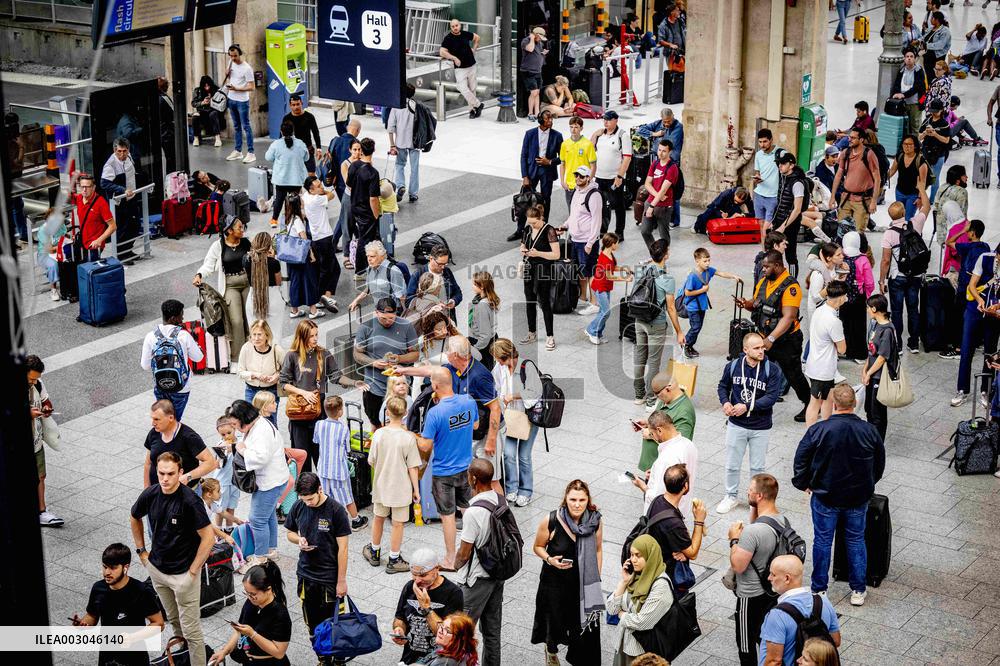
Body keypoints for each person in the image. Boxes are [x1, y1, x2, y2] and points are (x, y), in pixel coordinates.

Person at [794, 384, 885, 606]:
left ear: (833, 404)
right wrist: (868, 484)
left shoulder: (819, 429)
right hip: (857, 497)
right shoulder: (869, 430)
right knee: (856, 540)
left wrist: (805, 483)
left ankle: (819, 589)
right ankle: (858, 589)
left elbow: (801, 458)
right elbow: (879, 463)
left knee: (823, 541)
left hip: (825, 495)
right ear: (854, 404)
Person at [129, 451, 213, 666]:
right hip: (157, 570)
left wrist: (193, 572)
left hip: (184, 574)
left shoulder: (190, 500)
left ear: (181, 473)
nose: (165, 478)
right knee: (174, 621)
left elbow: (208, 538)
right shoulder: (151, 493)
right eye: (161, 473)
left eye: (170, 473)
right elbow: (134, 516)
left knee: (192, 632)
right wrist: (142, 552)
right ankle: (183, 658)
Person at [531, 479, 604, 665]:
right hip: (554, 583)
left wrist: (596, 577)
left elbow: (597, 549)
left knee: (580, 630)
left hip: (581, 585)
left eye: (581, 500)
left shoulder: (595, 520)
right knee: (554, 626)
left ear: (588, 500)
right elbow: (538, 546)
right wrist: (550, 560)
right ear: (566, 499)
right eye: (573, 499)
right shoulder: (552, 520)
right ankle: (551, 651)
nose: (577, 504)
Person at [282, 472, 352, 661]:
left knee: (334, 625)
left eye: (310, 499)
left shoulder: (336, 511)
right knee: (312, 625)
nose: (308, 503)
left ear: (320, 489)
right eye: (304, 499)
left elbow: (343, 549)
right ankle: (322, 658)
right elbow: (289, 533)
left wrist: (341, 581)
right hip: (306, 575)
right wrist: (299, 540)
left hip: (329, 578)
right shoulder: (299, 505)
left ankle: (338, 660)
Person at [416, 366, 479, 568]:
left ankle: (451, 558)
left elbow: (426, 445)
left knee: (448, 516)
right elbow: (476, 426)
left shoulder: (435, 413)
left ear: (434, 385)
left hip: (444, 472)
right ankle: (474, 551)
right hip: (466, 467)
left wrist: (412, 437)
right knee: (467, 509)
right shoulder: (468, 401)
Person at [715, 333, 784, 515]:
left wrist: (746, 406)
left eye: (762, 347)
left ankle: (756, 500)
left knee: (758, 467)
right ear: (745, 350)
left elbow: (771, 398)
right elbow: (723, 386)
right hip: (736, 424)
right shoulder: (733, 366)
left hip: (761, 426)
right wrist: (725, 403)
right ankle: (731, 496)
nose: (761, 350)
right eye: (756, 348)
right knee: (732, 464)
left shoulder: (772, 369)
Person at [726, 473, 789, 666]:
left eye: (750, 490)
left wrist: (734, 539)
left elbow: (738, 565)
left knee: (745, 645)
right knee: (764, 638)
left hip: (749, 594)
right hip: (770, 592)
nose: (747, 492)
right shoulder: (781, 520)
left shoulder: (753, 533)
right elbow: (759, 531)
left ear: (759, 496)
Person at [739, 251, 810, 420]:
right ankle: (752, 406)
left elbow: (789, 316)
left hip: (786, 341)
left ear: (777, 265)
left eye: (766, 266)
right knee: (755, 370)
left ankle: (809, 403)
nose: (763, 270)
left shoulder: (791, 287)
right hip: (764, 338)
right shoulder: (764, 282)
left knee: (793, 374)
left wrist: (771, 339)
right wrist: (746, 304)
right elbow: (757, 304)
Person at [281, 319, 358, 472]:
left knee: (321, 456)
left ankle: (322, 490)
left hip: (318, 413)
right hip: (299, 413)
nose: (315, 338)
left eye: (316, 334)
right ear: (302, 337)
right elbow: (283, 383)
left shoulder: (323, 354)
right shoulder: (291, 355)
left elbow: (336, 376)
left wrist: (355, 383)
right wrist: (303, 392)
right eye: (311, 336)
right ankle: (306, 491)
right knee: (302, 459)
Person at [71, 543, 165, 666]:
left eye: (113, 568)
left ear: (125, 567)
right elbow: (92, 617)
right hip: (107, 655)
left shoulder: (141, 591)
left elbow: (159, 623)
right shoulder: (98, 588)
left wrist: (133, 637)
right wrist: (82, 624)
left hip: (135, 656)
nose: (107, 572)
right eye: (104, 567)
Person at [450, 459, 506, 666]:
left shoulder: (473, 512)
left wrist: (453, 565)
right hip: (497, 574)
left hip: (476, 580)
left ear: (473, 479)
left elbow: (464, 553)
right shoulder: (500, 500)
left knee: (461, 633)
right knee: (492, 632)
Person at [360, 396, 421, 573]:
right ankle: (394, 558)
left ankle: (374, 550)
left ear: (387, 412)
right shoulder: (408, 438)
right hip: (401, 488)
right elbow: (413, 467)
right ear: (406, 413)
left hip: (381, 485)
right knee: (398, 523)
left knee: (378, 518)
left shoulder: (378, 434)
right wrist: (416, 490)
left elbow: (371, 461)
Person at [226, 399, 286, 562]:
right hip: (276, 478)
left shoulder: (261, 431)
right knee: (269, 516)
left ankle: (261, 557)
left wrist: (242, 450)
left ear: (244, 419)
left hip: (269, 483)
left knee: (257, 520)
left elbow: (260, 458)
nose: (233, 427)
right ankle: (271, 549)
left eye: (234, 423)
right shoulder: (258, 424)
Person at [759, 555, 841, 665]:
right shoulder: (822, 601)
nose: (769, 578)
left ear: (787, 578)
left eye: (773, 574)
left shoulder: (776, 615)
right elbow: (835, 641)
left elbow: (774, 661)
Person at [605, 535, 674, 666]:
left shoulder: (661, 585)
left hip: (643, 652)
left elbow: (642, 622)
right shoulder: (635, 576)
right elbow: (611, 609)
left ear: (650, 556)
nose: (634, 560)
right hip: (623, 644)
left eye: (639, 555)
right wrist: (623, 583)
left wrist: (621, 615)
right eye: (631, 555)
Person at [209, 560, 291, 665]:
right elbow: (239, 631)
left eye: (253, 594)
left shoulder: (280, 613)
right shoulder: (250, 602)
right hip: (248, 661)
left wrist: (252, 634)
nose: (249, 597)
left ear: (268, 589)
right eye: (246, 593)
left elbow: (279, 652)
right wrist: (224, 651)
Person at [391, 547, 465, 664]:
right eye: (414, 575)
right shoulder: (410, 587)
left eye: (423, 575)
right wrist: (399, 629)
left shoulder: (453, 593)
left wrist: (426, 607)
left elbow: (447, 634)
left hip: (437, 660)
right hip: (409, 658)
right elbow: (400, 617)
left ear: (436, 569)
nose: (418, 581)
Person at [879, 191, 931, 354]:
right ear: (904, 212)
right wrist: (921, 191)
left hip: (897, 277)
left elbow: (886, 260)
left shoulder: (888, 234)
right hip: (915, 276)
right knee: (913, 309)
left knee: (897, 311)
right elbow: (927, 207)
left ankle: (898, 345)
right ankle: (914, 343)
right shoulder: (916, 223)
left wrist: (882, 280)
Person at [354, 296, 419, 426]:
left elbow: (416, 354)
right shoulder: (365, 327)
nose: (388, 321)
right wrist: (373, 363)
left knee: (402, 423)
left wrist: (400, 358)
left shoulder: (406, 326)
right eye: (383, 318)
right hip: (374, 387)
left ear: (396, 313)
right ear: (376, 312)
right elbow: (357, 354)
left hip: (400, 386)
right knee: (376, 422)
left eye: (391, 318)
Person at [193, 216, 251, 357]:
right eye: (239, 227)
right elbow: (209, 264)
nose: (242, 229)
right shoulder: (218, 246)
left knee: (251, 318)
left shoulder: (246, 242)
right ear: (229, 230)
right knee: (236, 321)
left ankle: (253, 353)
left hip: (248, 283)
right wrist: (199, 274)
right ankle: (237, 357)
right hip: (230, 286)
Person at [489, 339, 537, 504]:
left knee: (523, 455)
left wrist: (513, 395)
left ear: (506, 356)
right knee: (508, 454)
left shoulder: (526, 366)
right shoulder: (499, 368)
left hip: (527, 417)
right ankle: (511, 488)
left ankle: (526, 491)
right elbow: (494, 385)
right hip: (509, 416)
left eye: (499, 359)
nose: (498, 363)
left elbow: (536, 392)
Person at [139, 300, 204, 420]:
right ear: (174, 318)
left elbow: (145, 365)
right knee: (174, 421)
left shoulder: (150, 336)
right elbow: (198, 357)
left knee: (163, 419)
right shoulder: (183, 335)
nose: (183, 318)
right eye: (181, 315)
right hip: (182, 387)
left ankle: (163, 436)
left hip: (161, 386)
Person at [952, 247, 1000, 407]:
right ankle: (962, 390)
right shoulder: (985, 258)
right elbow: (972, 285)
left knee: (990, 353)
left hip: (994, 314)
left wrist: (997, 306)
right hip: (974, 309)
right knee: (966, 350)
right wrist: (979, 300)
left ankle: (985, 391)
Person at [643, 463, 706, 582]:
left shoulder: (658, 500)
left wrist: (683, 551)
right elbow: (693, 553)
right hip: (667, 577)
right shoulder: (673, 523)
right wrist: (699, 521)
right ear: (685, 486)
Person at [313, 395, 368, 531]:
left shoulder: (319, 424)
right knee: (347, 496)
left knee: (324, 496)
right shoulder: (343, 429)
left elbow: (316, 440)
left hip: (323, 469)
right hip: (339, 470)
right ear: (340, 412)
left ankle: (326, 522)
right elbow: (347, 449)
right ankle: (355, 520)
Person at [631, 410, 699, 516]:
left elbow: (658, 497)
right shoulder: (689, 445)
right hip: (682, 507)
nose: (653, 437)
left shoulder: (667, 458)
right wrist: (654, 472)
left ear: (659, 430)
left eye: (652, 434)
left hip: (663, 515)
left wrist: (642, 486)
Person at [941, 217, 989, 359]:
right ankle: (974, 342)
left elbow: (948, 242)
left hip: (965, 287)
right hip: (978, 289)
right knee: (973, 316)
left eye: (969, 231)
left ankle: (958, 348)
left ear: (972, 233)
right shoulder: (985, 247)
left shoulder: (967, 247)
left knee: (958, 318)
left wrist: (962, 230)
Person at [142, 399, 216, 490]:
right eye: (152, 419)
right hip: (158, 493)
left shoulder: (189, 437)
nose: (153, 423)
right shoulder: (154, 433)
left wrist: (188, 477)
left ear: (171, 418)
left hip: (184, 494)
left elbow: (211, 462)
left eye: (157, 419)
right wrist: (146, 491)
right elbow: (148, 463)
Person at [680, 247, 741, 356]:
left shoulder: (709, 271)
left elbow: (721, 273)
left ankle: (689, 345)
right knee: (695, 327)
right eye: (705, 261)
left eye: (709, 260)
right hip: (692, 306)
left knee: (698, 327)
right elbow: (687, 293)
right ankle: (686, 345)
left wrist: (733, 276)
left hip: (701, 305)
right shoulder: (693, 276)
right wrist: (702, 290)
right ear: (697, 261)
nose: (707, 263)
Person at [803, 281, 848, 427]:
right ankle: (811, 433)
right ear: (840, 298)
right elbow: (842, 349)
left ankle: (826, 428)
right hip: (823, 368)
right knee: (815, 402)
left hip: (814, 363)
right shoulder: (833, 321)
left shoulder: (819, 310)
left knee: (828, 398)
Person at [635, 371, 696, 472]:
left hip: (665, 469)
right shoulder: (666, 401)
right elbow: (661, 423)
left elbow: (680, 444)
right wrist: (648, 423)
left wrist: (650, 434)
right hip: (654, 465)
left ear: (668, 389)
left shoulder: (684, 412)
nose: (658, 398)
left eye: (658, 395)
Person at [520, 204, 561, 349]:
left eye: (534, 222)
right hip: (529, 268)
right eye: (529, 222)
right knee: (529, 301)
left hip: (544, 269)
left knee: (544, 303)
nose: (531, 225)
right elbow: (522, 245)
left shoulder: (549, 230)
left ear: (540, 218)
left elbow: (556, 254)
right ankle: (532, 332)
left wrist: (538, 253)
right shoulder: (527, 229)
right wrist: (523, 249)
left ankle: (550, 336)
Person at [563, 166, 603, 314]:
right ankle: (583, 297)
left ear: (588, 177)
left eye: (581, 176)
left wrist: (590, 242)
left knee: (590, 271)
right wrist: (565, 225)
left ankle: (594, 303)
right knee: (581, 271)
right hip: (575, 239)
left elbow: (596, 221)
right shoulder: (576, 192)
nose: (578, 178)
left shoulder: (594, 195)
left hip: (586, 241)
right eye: (576, 175)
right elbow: (574, 214)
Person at [26, 355, 61, 527]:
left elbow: (46, 400)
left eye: (36, 378)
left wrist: (47, 408)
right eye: (31, 378)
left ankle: (42, 511)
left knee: (40, 476)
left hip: (36, 439)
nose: (33, 382)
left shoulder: (38, 383)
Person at [301, 175, 341, 311]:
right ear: (311, 190)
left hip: (317, 238)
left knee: (332, 268)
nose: (322, 187)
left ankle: (326, 296)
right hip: (324, 238)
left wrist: (320, 189)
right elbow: (332, 195)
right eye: (318, 186)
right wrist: (325, 190)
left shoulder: (306, 196)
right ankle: (320, 297)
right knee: (328, 269)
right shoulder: (316, 199)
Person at [281, 194, 324, 320]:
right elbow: (304, 239)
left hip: (291, 256)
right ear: (298, 205)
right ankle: (313, 310)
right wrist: (311, 254)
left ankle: (294, 310)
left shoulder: (287, 218)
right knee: (309, 281)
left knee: (295, 282)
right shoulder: (298, 221)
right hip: (301, 256)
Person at [828, 129, 880, 233]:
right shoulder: (845, 153)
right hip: (846, 198)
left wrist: (874, 201)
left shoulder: (869, 155)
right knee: (841, 231)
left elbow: (877, 179)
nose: (849, 139)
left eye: (853, 138)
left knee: (858, 234)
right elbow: (838, 175)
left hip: (862, 200)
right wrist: (832, 196)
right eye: (849, 137)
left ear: (861, 139)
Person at [591, 110, 632, 240]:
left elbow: (627, 158)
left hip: (614, 177)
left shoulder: (622, 135)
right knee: (601, 205)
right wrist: (594, 134)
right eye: (604, 120)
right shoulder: (600, 135)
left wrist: (620, 176)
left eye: (608, 120)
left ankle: (620, 232)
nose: (606, 122)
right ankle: (603, 230)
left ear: (616, 120)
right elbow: (590, 150)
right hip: (599, 176)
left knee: (618, 205)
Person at [99, 137, 142, 263]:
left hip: (131, 197)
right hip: (119, 201)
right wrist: (121, 189)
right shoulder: (110, 164)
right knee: (122, 228)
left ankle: (128, 250)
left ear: (128, 150)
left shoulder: (129, 158)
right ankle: (121, 254)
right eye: (119, 151)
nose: (122, 154)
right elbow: (104, 183)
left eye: (124, 151)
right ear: (114, 150)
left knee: (134, 225)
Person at [861, 295, 897, 442]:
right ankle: (870, 438)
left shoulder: (887, 330)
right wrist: (865, 369)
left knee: (877, 412)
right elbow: (871, 351)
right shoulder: (875, 324)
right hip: (871, 373)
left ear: (874, 309)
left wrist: (869, 373)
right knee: (869, 409)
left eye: (869, 307)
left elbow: (882, 357)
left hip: (880, 376)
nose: (867, 310)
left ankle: (877, 442)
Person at [237, 320, 285, 427]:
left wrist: (276, 376)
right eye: (254, 335)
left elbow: (287, 369)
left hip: (270, 391)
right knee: (251, 421)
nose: (256, 338)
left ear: (267, 335)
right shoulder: (246, 348)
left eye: (259, 334)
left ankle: (272, 442)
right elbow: (240, 372)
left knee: (270, 422)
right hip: (251, 390)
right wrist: (256, 375)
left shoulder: (276, 350)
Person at [586, 232, 632, 344]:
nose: (618, 245)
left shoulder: (609, 254)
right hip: (600, 287)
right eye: (616, 243)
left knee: (602, 311)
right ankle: (591, 330)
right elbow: (609, 276)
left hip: (605, 287)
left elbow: (613, 267)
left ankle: (598, 333)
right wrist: (625, 279)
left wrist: (623, 269)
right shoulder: (604, 258)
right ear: (612, 244)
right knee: (606, 312)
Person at [519, 110, 563, 224]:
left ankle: (543, 225)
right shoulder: (530, 134)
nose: (550, 121)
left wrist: (549, 162)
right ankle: (520, 228)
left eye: (551, 119)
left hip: (547, 171)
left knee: (546, 199)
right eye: (547, 119)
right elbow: (523, 156)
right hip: (532, 170)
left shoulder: (557, 136)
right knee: (525, 200)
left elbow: (562, 157)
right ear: (540, 120)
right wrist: (525, 176)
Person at [770, 150, 810, 272]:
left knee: (790, 255)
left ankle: (792, 281)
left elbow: (797, 209)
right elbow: (781, 202)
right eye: (778, 163)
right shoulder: (783, 177)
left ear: (791, 165)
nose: (779, 166)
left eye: (783, 163)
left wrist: (783, 226)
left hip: (791, 224)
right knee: (775, 253)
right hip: (779, 220)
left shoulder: (797, 183)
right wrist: (773, 221)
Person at [347, 137, 382, 275]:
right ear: (373, 150)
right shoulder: (373, 173)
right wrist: (376, 214)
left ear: (361, 149)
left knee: (364, 236)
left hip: (355, 206)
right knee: (365, 239)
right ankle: (360, 270)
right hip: (366, 211)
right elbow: (373, 198)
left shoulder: (354, 165)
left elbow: (349, 184)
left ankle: (370, 263)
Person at [243, 232, 285, 342]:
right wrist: (272, 257)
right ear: (269, 246)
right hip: (273, 298)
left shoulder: (246, 260)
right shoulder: (274, 263)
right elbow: (279, 282)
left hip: (253, 298)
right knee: (275, 335)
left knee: (255, 336)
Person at [841, 232, 875, 361]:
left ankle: (847, 350)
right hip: (858, 297)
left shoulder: (841, 257)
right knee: (859, 325)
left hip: (843, 296)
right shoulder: (863, 259)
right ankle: (860, 354)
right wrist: (866, 295)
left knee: (845, 323)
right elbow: (869, 282)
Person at [440, 18, 484, 117]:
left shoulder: (465, 34)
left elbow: (477, 38)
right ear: (450, 27)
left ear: (460, 25)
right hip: (460, 68)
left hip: (471, 65)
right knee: (462, 88)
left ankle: (472, 110)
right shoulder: (448, 38)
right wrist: (454, 58)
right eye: (453, 26)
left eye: (457, 25)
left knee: (472, 88)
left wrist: (474, 49)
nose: (455, 28)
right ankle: (478, 104)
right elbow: (442, 52)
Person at [640, 139, 679, 248]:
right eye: (659, 150)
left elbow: (663, 190)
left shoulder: (672, 168)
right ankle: (655, 252)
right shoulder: (655, 163)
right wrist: (658, 196)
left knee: (663, 235)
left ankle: (663, 255)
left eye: (664, 151)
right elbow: (647, 183)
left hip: (664, 207)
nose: (660, 153)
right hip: (651, 201)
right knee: (645, 231)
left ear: (670, 152)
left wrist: (653, 205)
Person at [350, 240, 408, 312]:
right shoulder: (370, 269)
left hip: (392, 314)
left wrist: (403, 317)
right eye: (367, 256)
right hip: (379, 311)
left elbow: (402, 297)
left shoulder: (393, 271)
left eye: (372, 256)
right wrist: (357, 300)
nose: (369, 259)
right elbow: (368, 288)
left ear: (382, 256)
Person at [406, 245, 464, 315]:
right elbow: (409, 301)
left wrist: (453, 301)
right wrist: (431, 308)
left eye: (445, 264)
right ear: (431, 259)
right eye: (440, 264)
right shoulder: (418, 274)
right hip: (426, 321)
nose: (443, 267)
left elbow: (458, 293)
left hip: (447, 318)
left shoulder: (447, 272)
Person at [388, 84, 421, 204]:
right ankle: (413, 194)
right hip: (415, 142)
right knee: (414, 168)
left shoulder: (396, 106)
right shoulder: (416, 105)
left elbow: (390, 128)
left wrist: (392, 145)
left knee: (400, 165)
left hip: (400, 142)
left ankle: (401, 185)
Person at [224, 44, 256, 164]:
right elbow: (229, 77)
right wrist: (226, 73)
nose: (233, 58)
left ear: (240, 54)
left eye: (235, 56)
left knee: (246, 126)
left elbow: (252, 87)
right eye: (231, 56)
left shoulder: (247, 68)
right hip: (231, 98)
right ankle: (238, 151)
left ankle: (251, 152)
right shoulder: (230, 62)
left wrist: (237, 88)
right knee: (236, 126)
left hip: (242, 100)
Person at [557, 116, 598, 211]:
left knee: (583, 213)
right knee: (571, 213)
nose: (573, 130)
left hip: (583, 185)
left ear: (581, 128)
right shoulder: (565, 144)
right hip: (570, 186)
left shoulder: (587, 144)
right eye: (571, 127)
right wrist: (563, 181)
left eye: (576, 127)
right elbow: (562, 164)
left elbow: (593, 166)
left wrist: (588, 181)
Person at [887, 134, 928, 221]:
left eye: (910, 144)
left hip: (913, 194)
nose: (907, 146)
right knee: (899, 216)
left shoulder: (920, 161)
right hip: (900, 192)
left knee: (908, 217)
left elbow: (923, 181)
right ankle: (900, 232)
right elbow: (893, 170)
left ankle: (910, 233)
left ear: (915, 146)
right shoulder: (900, 156)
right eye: (905, 144)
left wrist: (920, 198)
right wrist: (881, 179)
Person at [414, 613, 479, 665]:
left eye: (447, 630)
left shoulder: (445, 662)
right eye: (442, 626)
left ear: (460, 638)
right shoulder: (464, 652)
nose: (440, 631)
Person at [891, 47, 929, 136]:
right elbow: (897, 83)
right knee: (905, 126)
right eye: (907, 56)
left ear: (915, 59)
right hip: (904, 103)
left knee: (915, 126)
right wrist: (896, 93)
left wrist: (903, 95)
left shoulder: (919, 70)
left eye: (911, 56)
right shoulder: (902, 70)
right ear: (904, 58)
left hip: (915, 103)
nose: (909, 58)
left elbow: (917, 87)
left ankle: (916, 145)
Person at [920, 99, 952, 202]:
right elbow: (919, 137)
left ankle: (932, 199)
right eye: (932, 111)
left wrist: (935, 134)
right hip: (926, 151)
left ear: (941, 110)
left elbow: (946, 140)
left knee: (934, 177)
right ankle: (920, 196)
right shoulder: (927, 121)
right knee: (922, 175)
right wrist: (925, 133)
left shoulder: (944, 124)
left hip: (939, 154)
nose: (933, 113)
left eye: (936, 111)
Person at [282, 94, 322, 176]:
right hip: (293, 152)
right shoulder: (286, 118)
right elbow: (282, 135)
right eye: (293, 105)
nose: (296, 107)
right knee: (295, 176)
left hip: (308, 150)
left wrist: (319, 148)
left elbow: (315, 133)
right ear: (290, 106)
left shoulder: (309, 117)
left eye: (298, 104)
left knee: (311, 175)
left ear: (302, 103)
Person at [468, 271, 500, 370]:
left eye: (474, 284)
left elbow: (485, 335)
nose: (472, 286)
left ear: (481, 286)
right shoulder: (484, 298)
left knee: (484, 370)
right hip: (487, 340)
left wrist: (475, 349)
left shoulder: (482, 305)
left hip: (482, 344)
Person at [520, 27, 548, 120]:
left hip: (537, 71)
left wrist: (543, 53)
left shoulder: (539, 43)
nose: (540, 40)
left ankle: (537, 112)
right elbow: (530, 49)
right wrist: (532, 38)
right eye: (539, 37)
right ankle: (530, 113)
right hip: (528, 71)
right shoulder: (526, 41)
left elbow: (537, 54)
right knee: (534, 92)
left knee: (538, 92)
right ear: (535, 35)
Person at [753, 129, 780, 222]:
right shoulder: (758, 154)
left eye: (765, 141)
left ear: (771, 140)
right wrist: (756, 178)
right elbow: (757, 172)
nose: (762, 145)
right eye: (760, 142)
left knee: (769, 224)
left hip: (773, 196)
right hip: (759, 194)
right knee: (759, 223)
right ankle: (762, 237)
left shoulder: (781, 153)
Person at [191, 75, 224, 147]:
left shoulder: (216, 90)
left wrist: (212, 101)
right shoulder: (198, 90)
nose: (207, 88)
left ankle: (217, 138)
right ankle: (196, 138)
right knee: (195, 117)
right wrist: (202, 102)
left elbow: (222, 103)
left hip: (213, 110)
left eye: (208, 86)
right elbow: (193, 103)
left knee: (213, 114)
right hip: (202, 111)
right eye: (205, 86)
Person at [922, 11, 952, 77]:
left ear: (937, 20)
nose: (930, 20)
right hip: (927, 56)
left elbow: (940, 45)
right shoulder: (930, 28)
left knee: (935, 75)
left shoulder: (945, 31)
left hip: (937, 57)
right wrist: (918, 41)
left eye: (932, 18)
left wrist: (926, 45)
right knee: (927, 74)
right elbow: (923, 37)